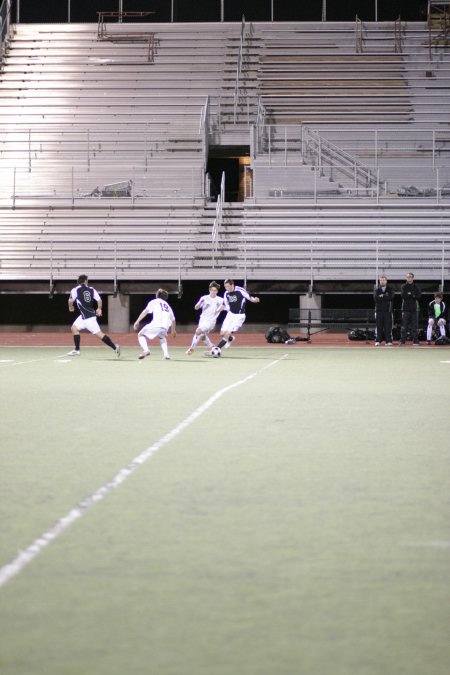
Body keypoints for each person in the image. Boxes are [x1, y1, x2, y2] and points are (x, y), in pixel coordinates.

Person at [67, 274, 120, 357]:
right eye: (87, 279)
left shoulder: (75, 290)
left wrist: (71, 307)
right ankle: (77, 350)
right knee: (74, 328)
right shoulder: (92, 289)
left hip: (88, 318)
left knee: (100, 335)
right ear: (85, 280)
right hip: (84, 316)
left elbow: (70, 300)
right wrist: (99, 308)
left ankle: (115, 347)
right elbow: (99, 300)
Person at [212, 279, 260, 353]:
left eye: (227, 286)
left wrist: (255, 300)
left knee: (227, 333)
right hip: (230, 314)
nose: (226, 288)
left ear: (232, 285)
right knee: (222, 333)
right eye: (225, 287)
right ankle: (230, 339)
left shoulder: (240, 290)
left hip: (239, 316)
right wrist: (216, 311)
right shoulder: (226, 293)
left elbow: (250, 298)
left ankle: (217, 349)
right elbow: (224, 305)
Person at [133, 288, 176, 360]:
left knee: (140, 334)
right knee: (162, 337)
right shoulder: (167, 305)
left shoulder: (154, 302)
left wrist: (137, 321)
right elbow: (173, 320)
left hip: (157, 324)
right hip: (165, 326)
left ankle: (146, 350)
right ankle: (166, 355)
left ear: (157, 295)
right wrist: (173, 330)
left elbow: (145, 311)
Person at [186, 281, 224, 355]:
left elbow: (226, 307)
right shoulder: (204, 298)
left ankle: (191, 349)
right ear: (209, 290)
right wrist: (200, 303)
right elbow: (196, 307)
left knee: (198, 331)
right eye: (212, 290)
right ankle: (212, 347)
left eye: (215, 290)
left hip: (211, 322)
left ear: (217, 291)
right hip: (202, 320)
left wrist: (221, 309)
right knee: (203, 336)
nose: (213, 292)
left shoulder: (220, 300)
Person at [399, 272, 421, 346]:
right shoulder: (403, 286)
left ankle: (415, 341)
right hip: (405, 309)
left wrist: (410, 294)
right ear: (406, 278)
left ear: (413, 278)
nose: (409, 278)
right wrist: (412, 294)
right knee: (404, 326)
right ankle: (402, 341)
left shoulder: (416, 286)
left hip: (414, 309)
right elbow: (403, 295)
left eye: (410, 277)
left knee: (415, 326)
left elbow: (418, 296)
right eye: (408, 277)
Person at [373, 275, 395, 346]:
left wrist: (382, 296)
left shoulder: (390, 289)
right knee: (379, 327)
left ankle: (388, 341)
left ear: (386, 281)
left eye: (383, 280)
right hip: (378, 311)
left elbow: (391, 297)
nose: (382, 281)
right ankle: (378, 341)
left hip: (388, 311)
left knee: (388, 327)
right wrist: (385, 296)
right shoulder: (376, 290)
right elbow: (376, 299)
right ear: (379, 281)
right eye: (381, 280)